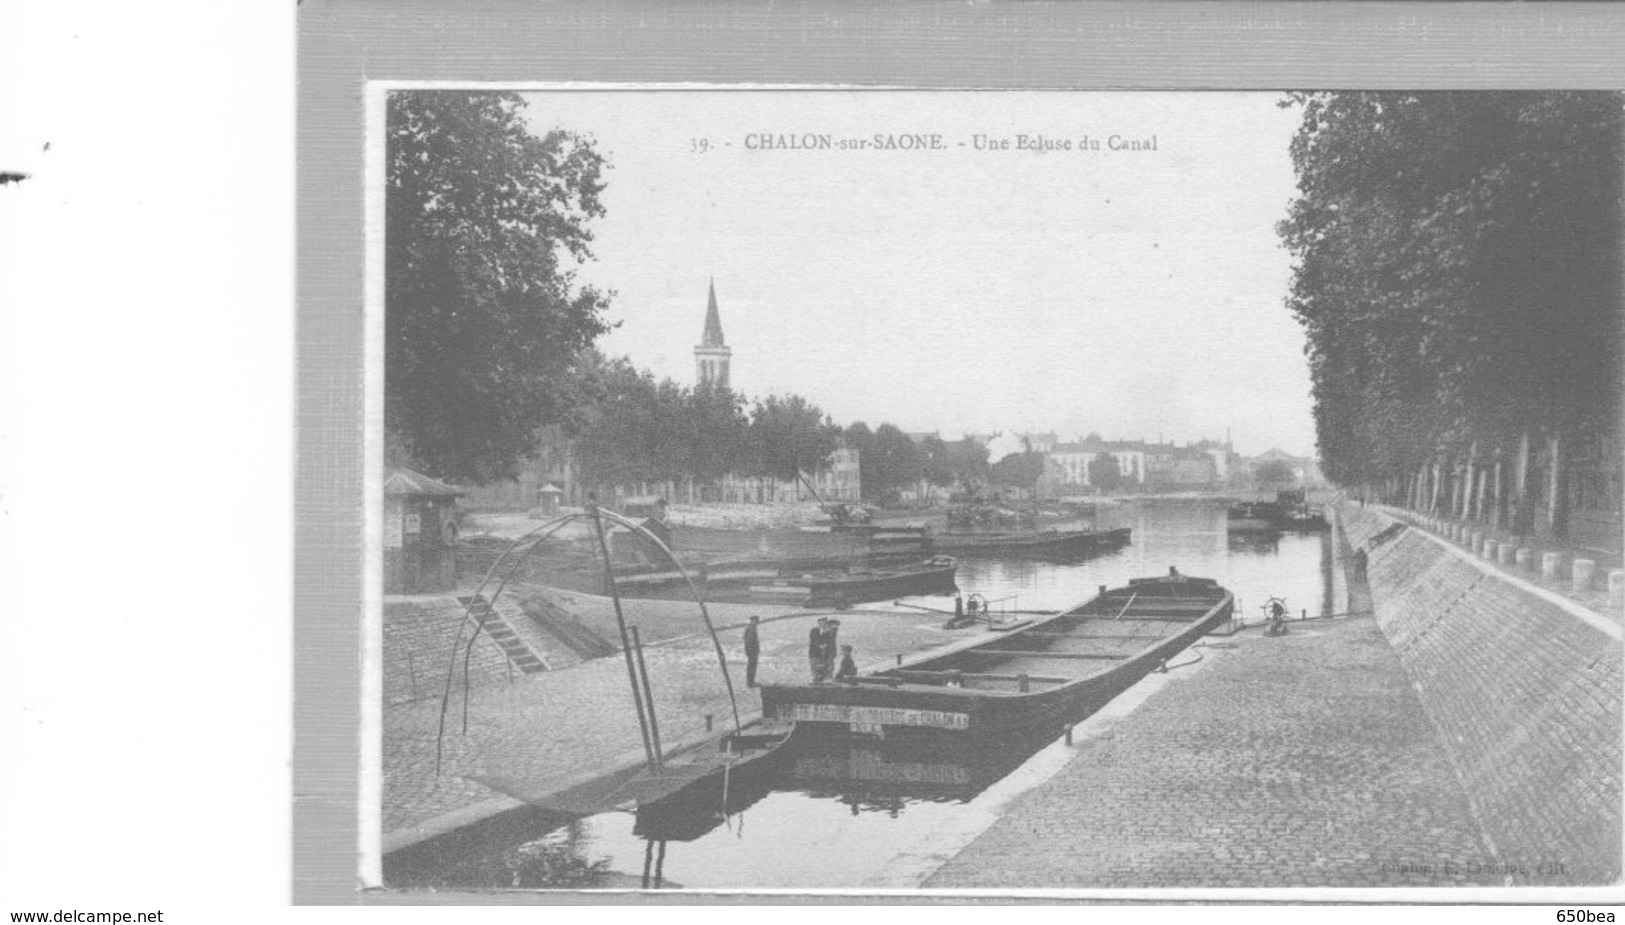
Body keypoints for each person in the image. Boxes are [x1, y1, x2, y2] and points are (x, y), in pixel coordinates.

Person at [743, 615, 761, 688]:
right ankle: (750, 682)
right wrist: (751, 650)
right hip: (752, 651)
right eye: (756, 621)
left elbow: (746, 639)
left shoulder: (750, 628)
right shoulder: (751, 629)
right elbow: (749, 641)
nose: (757, 623)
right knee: (752, 666)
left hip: (752, 650)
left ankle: (750, 682)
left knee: (751, 666)